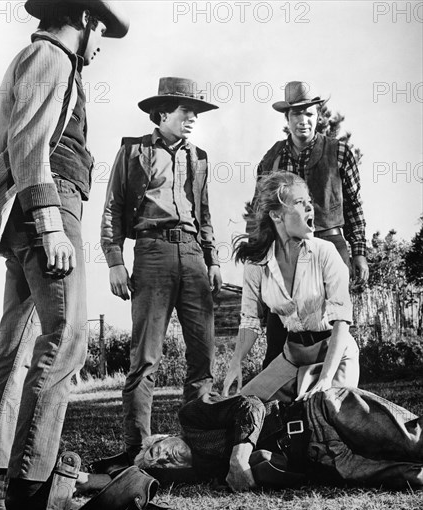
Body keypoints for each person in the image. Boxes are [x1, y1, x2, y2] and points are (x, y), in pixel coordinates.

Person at [0, 0, 129, 510]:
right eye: (101, 30)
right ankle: (32, 489)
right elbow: (28, 143)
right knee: (66, 338)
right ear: (84, 20)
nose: (101, 45)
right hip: (47, 207)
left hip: (29, 212)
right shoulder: (52, 58)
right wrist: (50, 223)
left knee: (15, 348)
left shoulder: (38, 56)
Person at [101, 77, 222, 463]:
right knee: (146, 357)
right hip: (151, 253)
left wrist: (213, 258)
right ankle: (137, 450)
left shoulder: (198, 157)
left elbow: (204, 214)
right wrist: (115, 260)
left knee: (202, 355)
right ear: (163, 112)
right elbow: (112, 209)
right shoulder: (133, 151)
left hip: (193, 254)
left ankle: (201, 444)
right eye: (186, 111)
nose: (192, 118)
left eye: (195, 112)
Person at [89, 388, 423, 493]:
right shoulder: (204, 473)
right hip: (329, 463)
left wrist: (239, 457)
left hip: (322, 413)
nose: (165, 458)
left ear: (162, 438)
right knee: (412, 477)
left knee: (414, 441)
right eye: (160, 465)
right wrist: (88, 482)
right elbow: (124, 481)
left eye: (157, 451)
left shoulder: (192, 418)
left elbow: (249, 404)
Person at [251, 81, 368, 366]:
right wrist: (259, 259)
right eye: (296, 115)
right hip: (286, 251)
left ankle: (332, 395)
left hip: (330, 243)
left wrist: (359, 253)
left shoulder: (339, 152)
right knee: (281, 328)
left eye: (309, 114)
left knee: (330, 323)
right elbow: (261, 213)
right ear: (287, 119)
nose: (303, 121)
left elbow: (353, 207)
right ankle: (277, 401)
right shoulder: (271, 159)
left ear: (318, 116)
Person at [223, 171, 359, 403]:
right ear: (276, 215)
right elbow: (249, 320)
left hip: (335, 355)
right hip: (293, 355)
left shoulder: (325, 252)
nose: (310, 208)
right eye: (300, 202)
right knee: (243, 407)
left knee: (322, 415)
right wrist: (236, 363)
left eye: (309, 202)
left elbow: (341, 321)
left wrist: (326, 378)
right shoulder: (256, 264)